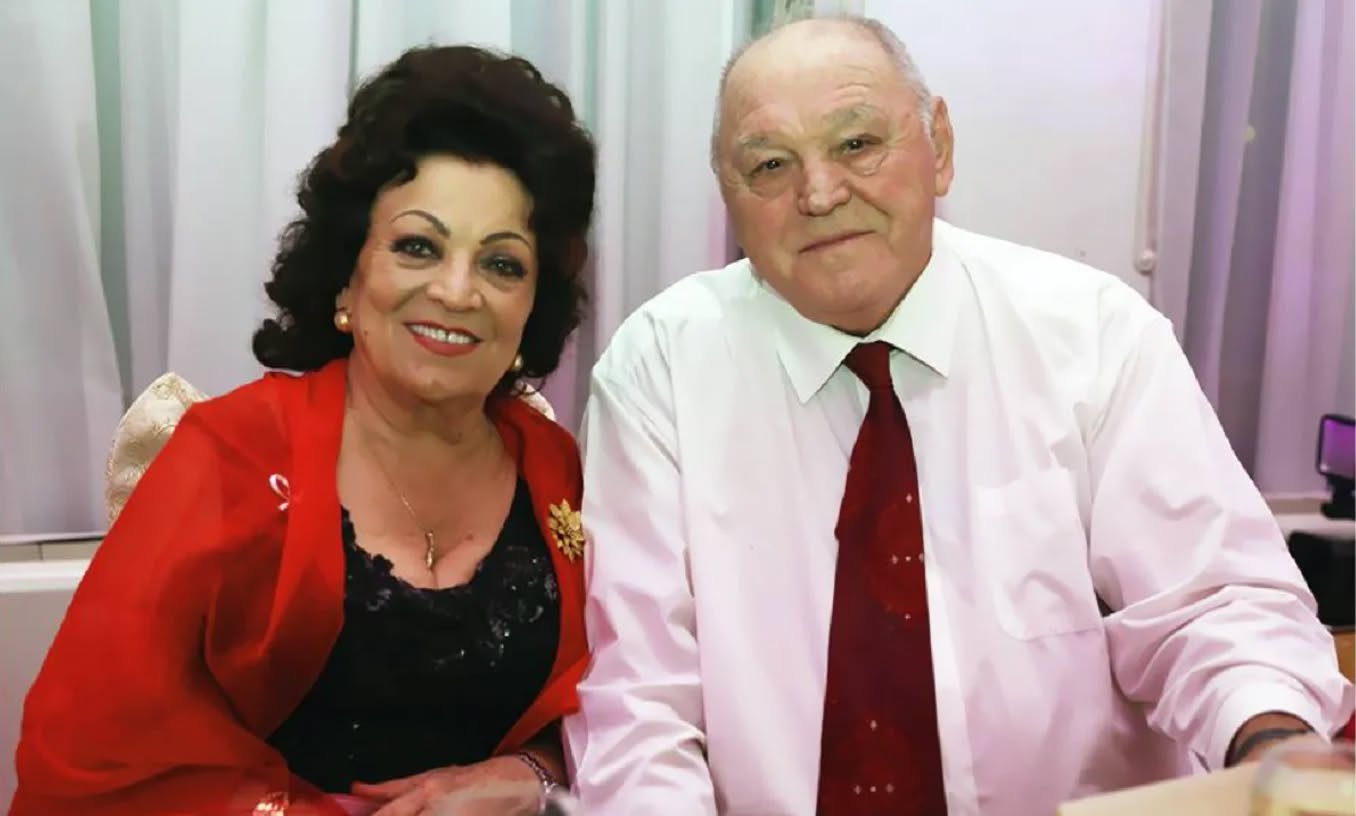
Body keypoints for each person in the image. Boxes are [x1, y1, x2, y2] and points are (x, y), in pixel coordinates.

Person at [562, 15, 1354, 816]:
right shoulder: (661, 367)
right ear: (727, 194)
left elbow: (1213, 604)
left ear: (938, 145)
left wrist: (1270, 745)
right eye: (770, 164)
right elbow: (640, 706)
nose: (820, 194)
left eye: (857, 143)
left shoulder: (1090, 333)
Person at [12, 44, 596, 816]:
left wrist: (534, 775)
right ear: (348, 278)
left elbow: (628, 699)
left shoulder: (557, 468)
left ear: (532, 307)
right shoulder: (229, 458)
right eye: (418, 247)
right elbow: (99, 746)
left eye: (502, 264)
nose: (458, 292)